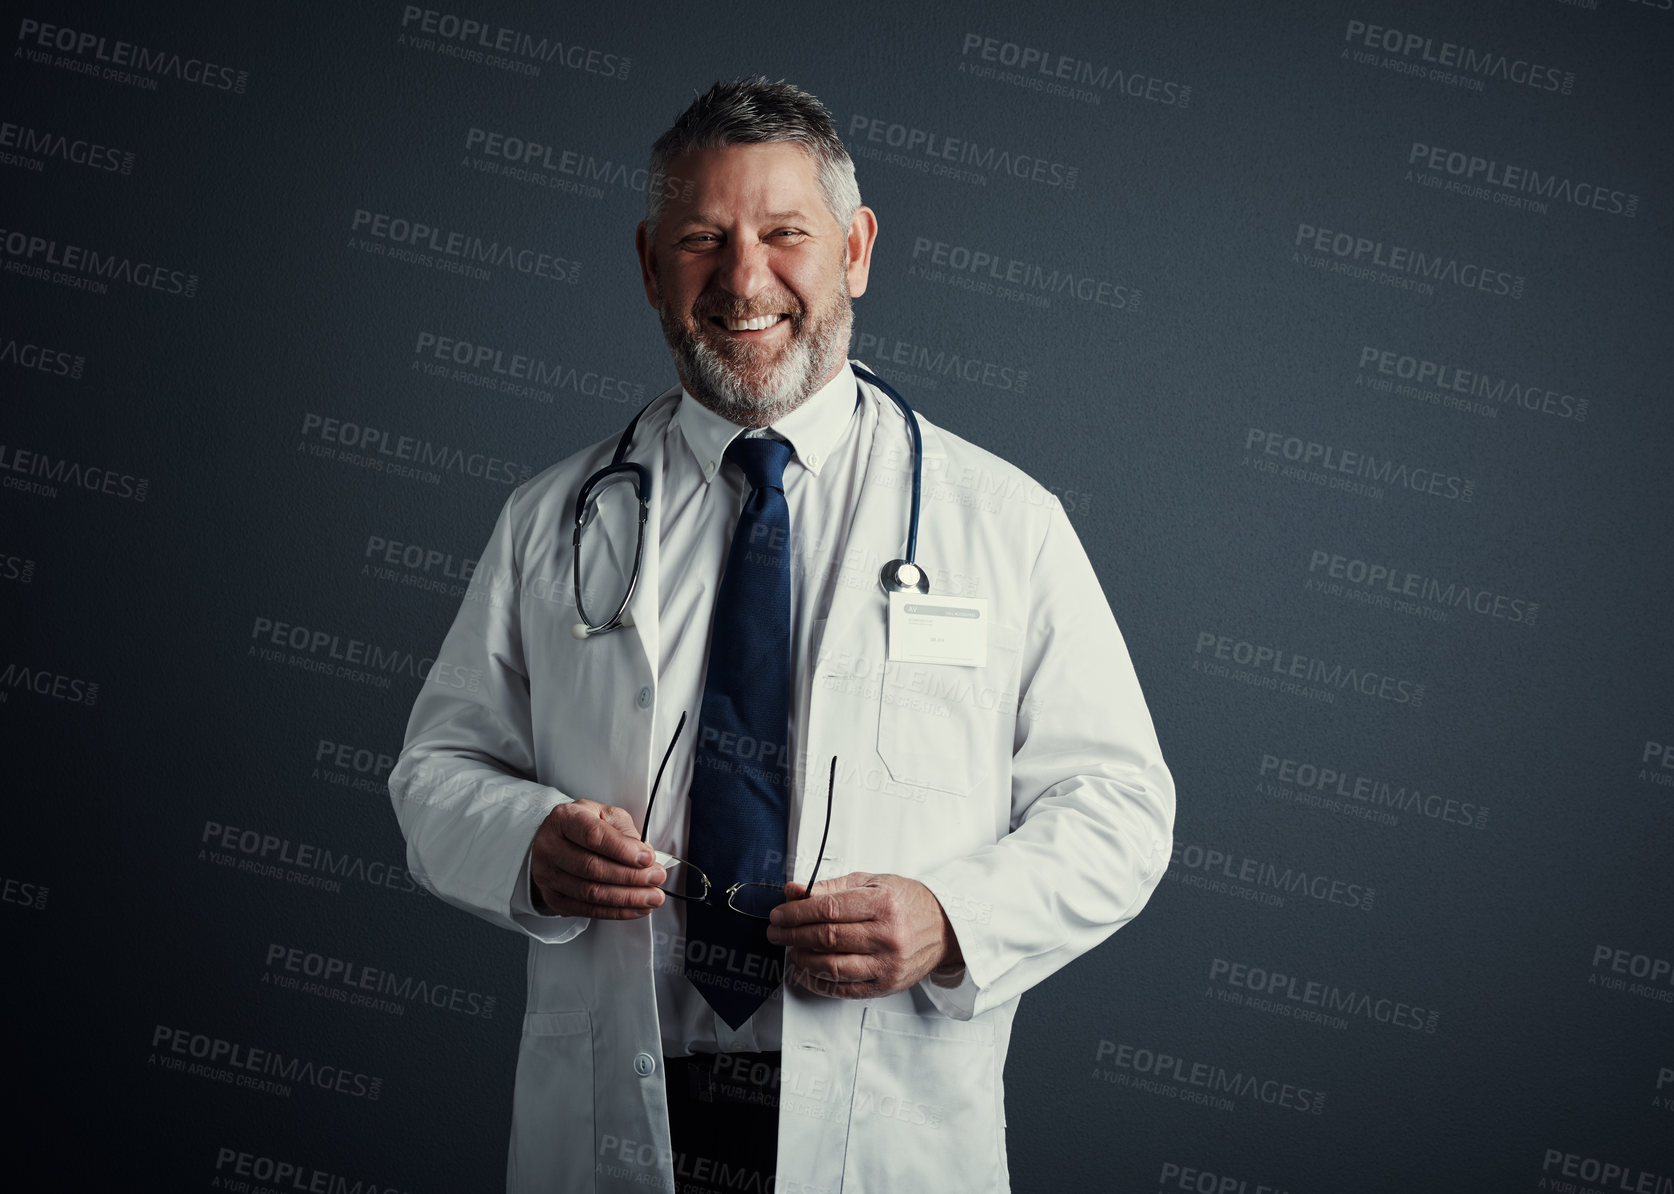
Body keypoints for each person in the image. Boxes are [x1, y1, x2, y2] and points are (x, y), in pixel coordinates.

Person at [390, 77, 1174, 1194]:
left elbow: (1122, 808)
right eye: (704, 239)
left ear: (854, 249)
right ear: (652, 266)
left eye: (785, 234)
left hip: (884, 1113)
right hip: (623, 1101)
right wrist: (527, 841)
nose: (745, 279)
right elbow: (434, 771)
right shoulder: (550, 521)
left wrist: (953, 921)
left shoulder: (1003, 524)